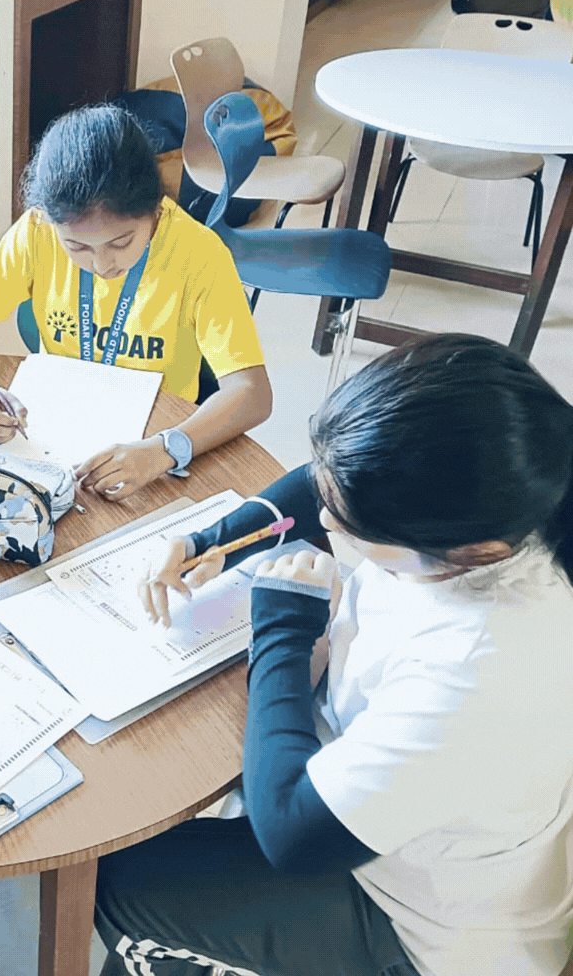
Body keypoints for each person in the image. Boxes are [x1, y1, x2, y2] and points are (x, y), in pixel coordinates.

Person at [99, 334, 573, 976]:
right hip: (393, 818)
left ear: (466, 548)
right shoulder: (512, 497)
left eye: (351, 524)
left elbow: (295, 836)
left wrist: (281, 630)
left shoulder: (476, 670)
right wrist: (211, 538)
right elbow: (326, 486)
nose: (327, 521)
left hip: (418, 926)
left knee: (122, 881)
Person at [0, 104, 271, 502]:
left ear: (156, 212)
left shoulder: (199, 254)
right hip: (57, 437)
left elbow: (253, 393)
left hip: (152, 438)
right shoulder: (37, 232)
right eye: (76, 246)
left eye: (121, 242)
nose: (101, 265)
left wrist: (165, 450)